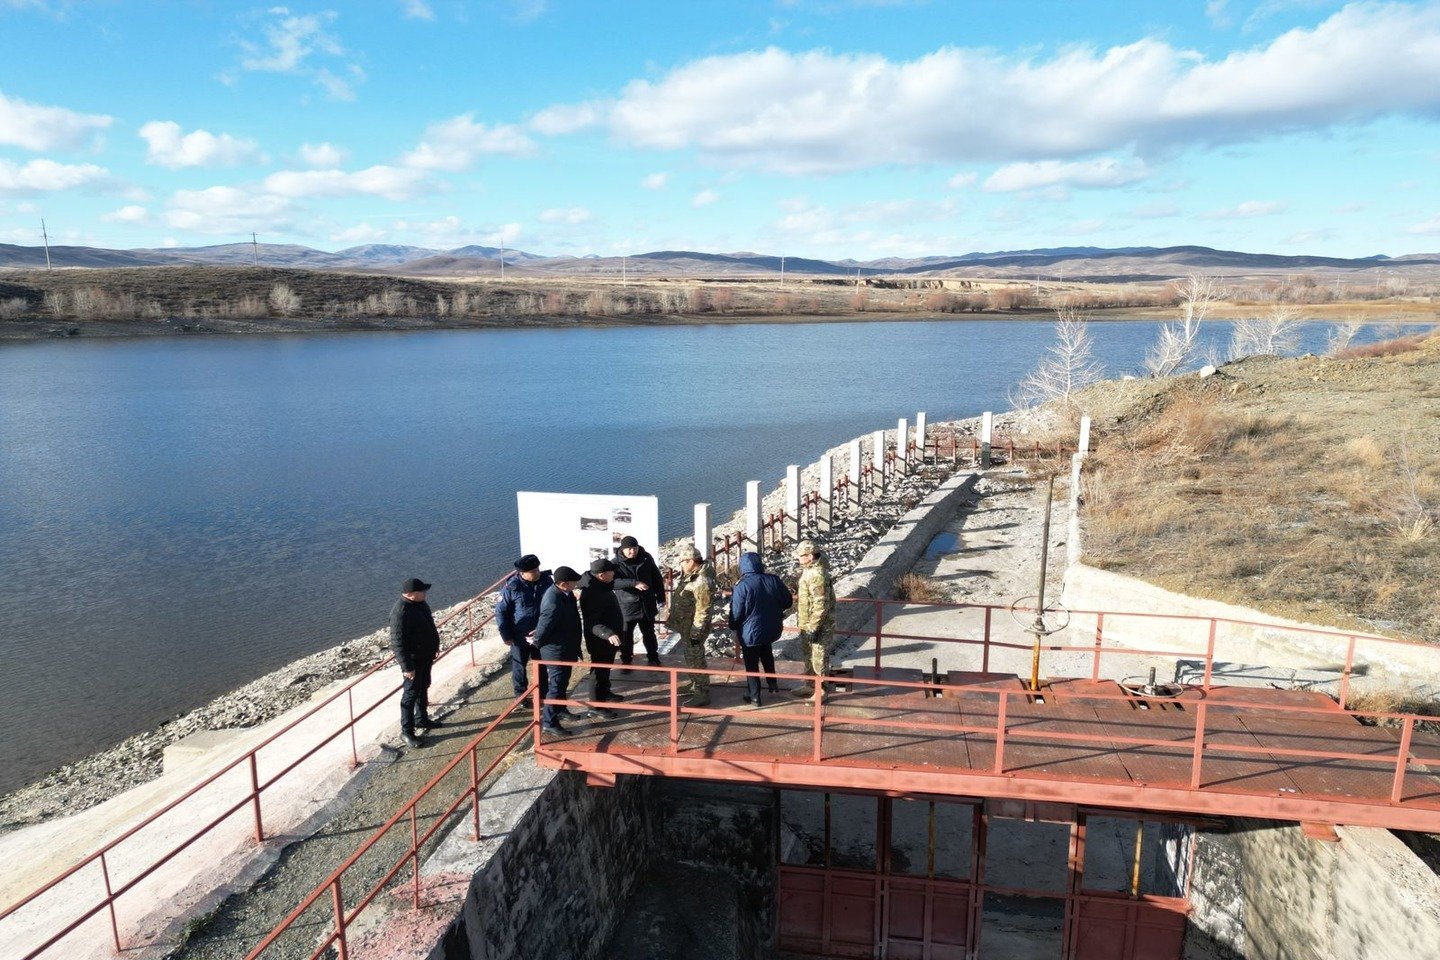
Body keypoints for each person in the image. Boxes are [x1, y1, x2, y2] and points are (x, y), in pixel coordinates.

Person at [728, 552, 792, 707]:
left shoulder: (741, 586)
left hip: (750, 632)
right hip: (771, 628)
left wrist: (733, 626)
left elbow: (736, 612)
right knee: (766, 653)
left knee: (751, 664)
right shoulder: (774, 580)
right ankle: (772, 684)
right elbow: (788, 601)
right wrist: (774, 611)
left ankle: (754, 696)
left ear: (742, 567)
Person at [390, 577, 441, 748]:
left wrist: (435, 646)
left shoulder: (421, 604)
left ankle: (422, 718)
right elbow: (398, 643)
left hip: (425, 655)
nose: (426, 593)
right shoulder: (400, 612)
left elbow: (429, 626)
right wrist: (407, 667)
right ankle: (407, 731)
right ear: (411, 595)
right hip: (413, 660)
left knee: (424, 685)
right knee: (410, 695)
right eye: (422, 591)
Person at [533, 565, 583, 736]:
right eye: (573, 582)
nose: (575, 584)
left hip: (565, 648)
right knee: (555, 686)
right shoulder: (553, 601)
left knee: (563, 683)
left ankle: (561, 710)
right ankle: (549, 721)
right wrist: (537, 641)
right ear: (563, 584)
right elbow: (544, 625)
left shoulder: (564, 594)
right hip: (556, 651)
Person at [494, 554, 554, 697]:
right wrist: (506, 636)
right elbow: (501, 612)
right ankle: (521, 695)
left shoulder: (546, 581)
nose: (537, 573)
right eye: (533, 571)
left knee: (541, 664)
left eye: (538, 569)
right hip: (519, 634)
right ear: (522, 573)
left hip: (540, 631)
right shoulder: (511, 588)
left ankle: (543, 693)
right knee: (519, 665)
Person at [666, 544, 715, 707]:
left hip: (694, 629)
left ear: (691, 561)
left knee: (696, 658)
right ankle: (695, 683)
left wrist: (696, 632)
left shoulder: (701, 581)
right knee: (690, 656)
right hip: (686, 626)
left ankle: (702, 693)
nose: (681, 565)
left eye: (683, 562)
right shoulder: (692, 575)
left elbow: (703, 609)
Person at [578, 557, 625, 711]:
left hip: (609, 639)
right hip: (600, 640)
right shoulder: (591, 593)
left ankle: (605, 692)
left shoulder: (602, 585)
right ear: (601, 575)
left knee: (605, 669)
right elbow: (592, 622)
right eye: (611, 572)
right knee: (597, 672)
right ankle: (595, 707)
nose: (614, 574)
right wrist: (608, 634)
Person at [613, 535, 666, 670]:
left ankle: (653, 657)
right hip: (627, 606)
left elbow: (656, 578)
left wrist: (661, 597)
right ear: (623, 549)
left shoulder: (646, 558)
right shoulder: (615, 563)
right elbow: (613, 583)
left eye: (635, 548)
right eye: (629, 549)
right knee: (626, 635)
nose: (633, 551)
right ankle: (626, 661)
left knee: (649, 633)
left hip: (646, 604)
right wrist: (633, 583)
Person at [793, 540, 837, 701]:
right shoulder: (809, 570)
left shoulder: (817, 575)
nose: (798, 559)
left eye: (801, 556)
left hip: (820, 626)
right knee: (808, 656)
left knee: (819, 658)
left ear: (810, 556)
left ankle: (821, 691)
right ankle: (810, 685)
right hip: (807, 623)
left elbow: (821, 604)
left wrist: (814, 627)